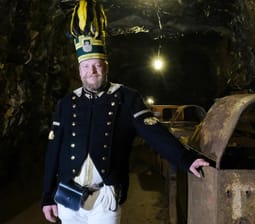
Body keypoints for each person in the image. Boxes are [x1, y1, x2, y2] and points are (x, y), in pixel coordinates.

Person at [41, 1, 209, 223]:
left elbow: (154, 133)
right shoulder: (65, 103)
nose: (92, 71)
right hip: (67, 197)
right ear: (79, 70)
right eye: (86, 66)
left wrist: (186, 159)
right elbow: (54, 152)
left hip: (105, 197)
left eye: (97, 65)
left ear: (106, 67)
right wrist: (47, 197)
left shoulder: (126, 98)